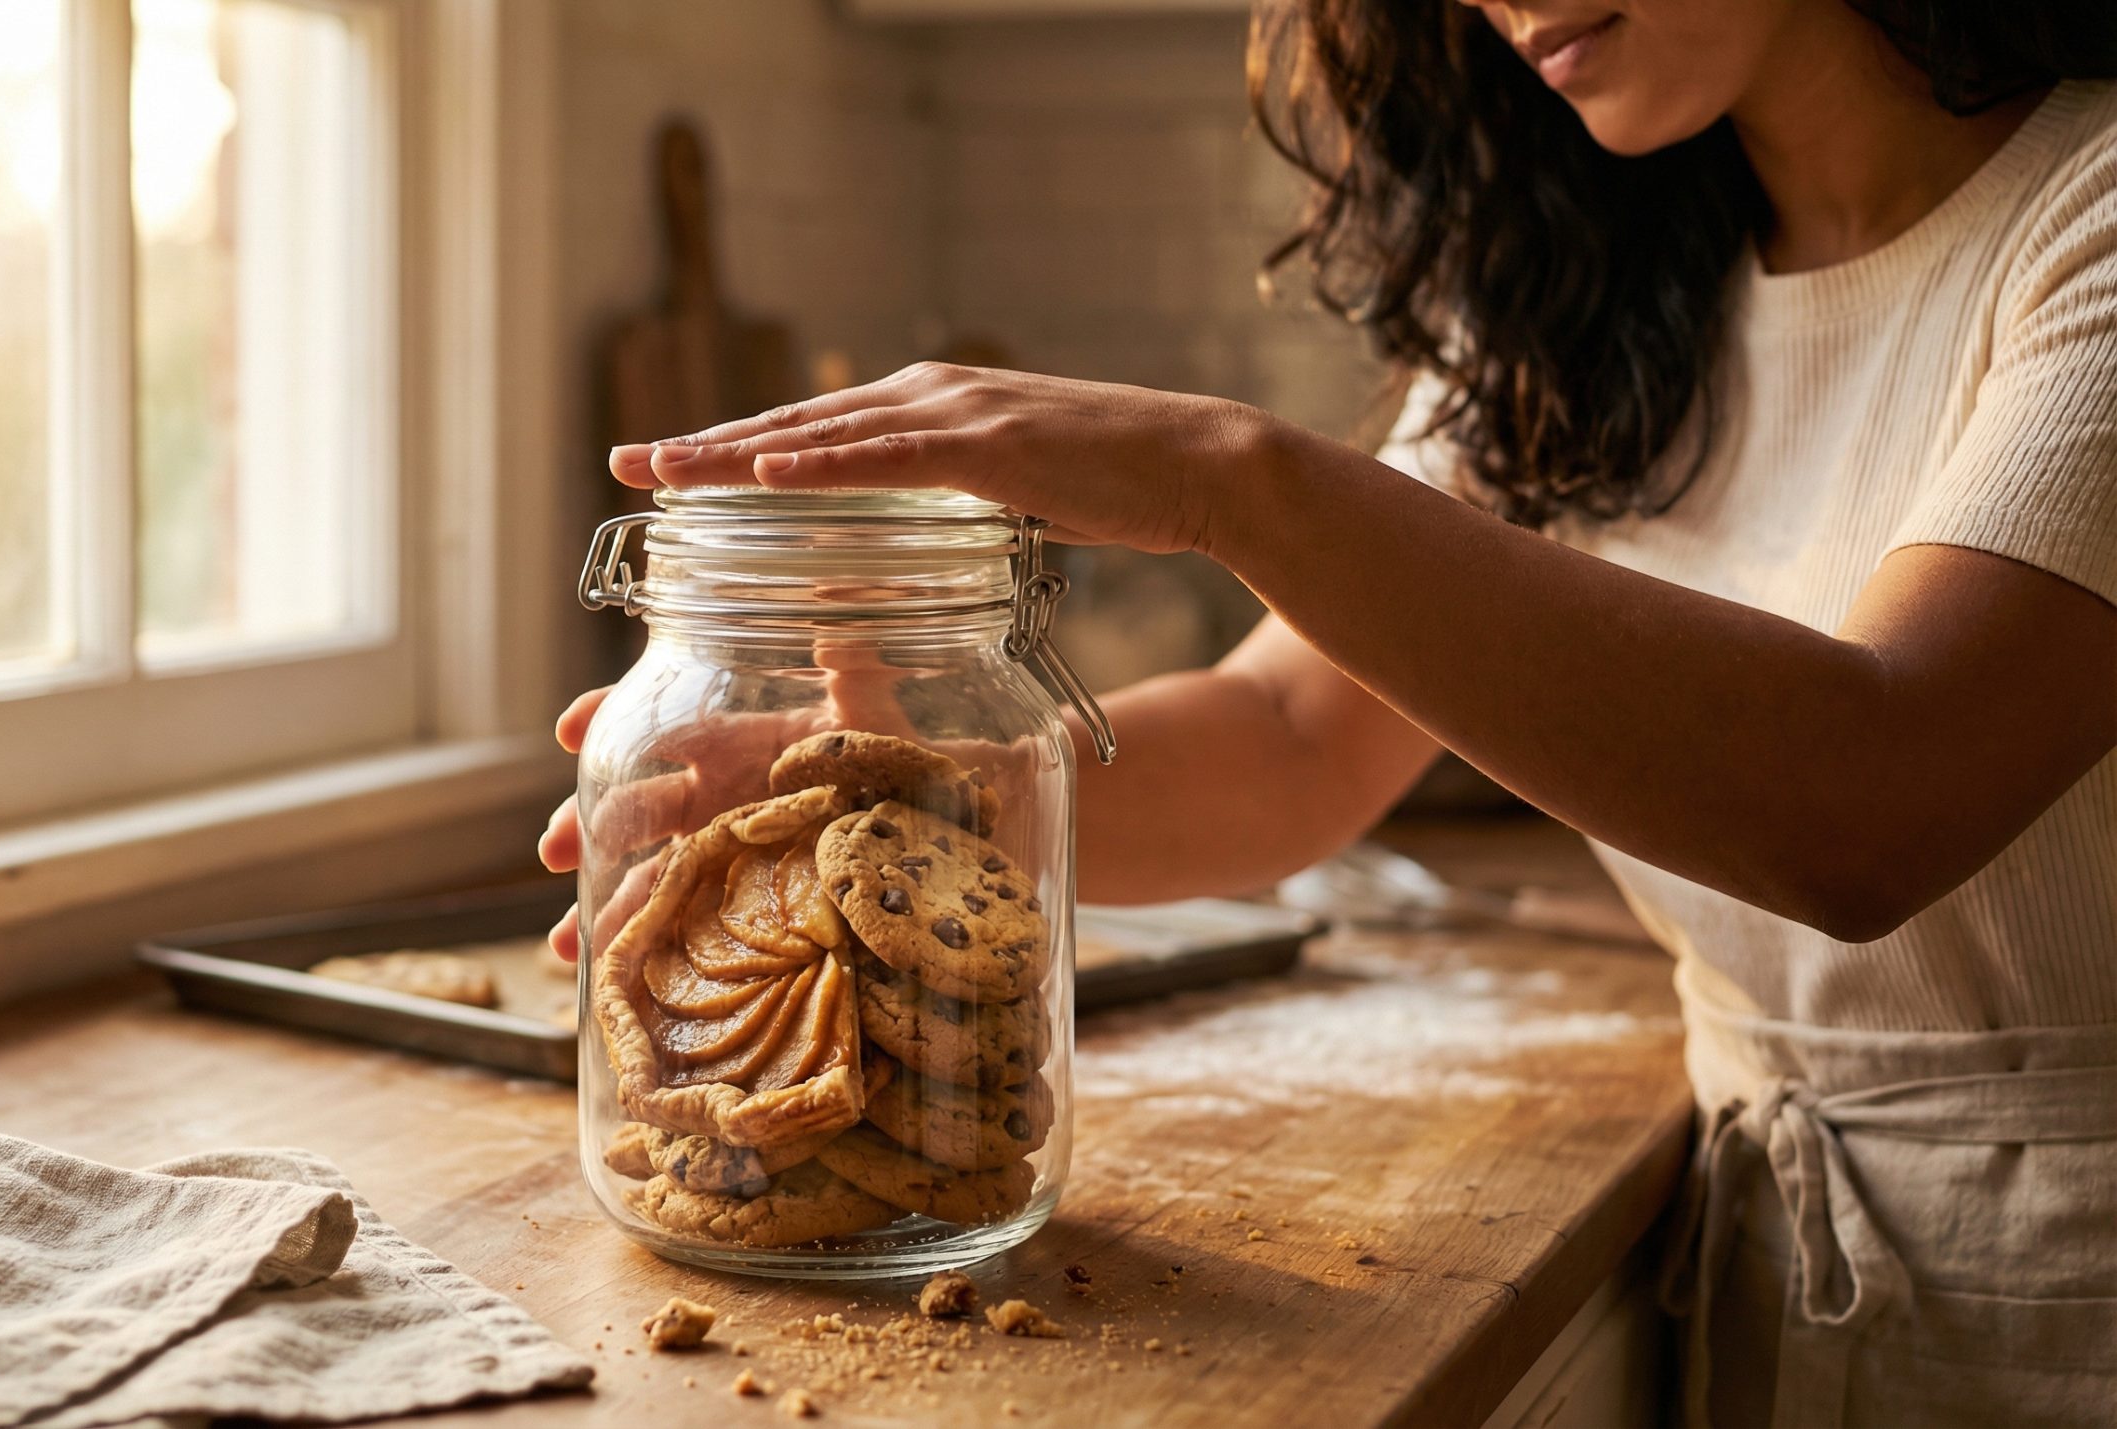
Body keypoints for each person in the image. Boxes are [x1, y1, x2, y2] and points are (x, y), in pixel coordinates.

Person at [541, 2, 2117, 1422]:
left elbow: (1872, 800)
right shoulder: (1588, 299)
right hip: (1787, 1286)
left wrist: (1231, 477)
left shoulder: (2087, 221)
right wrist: (902, 783)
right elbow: (1293, 739)